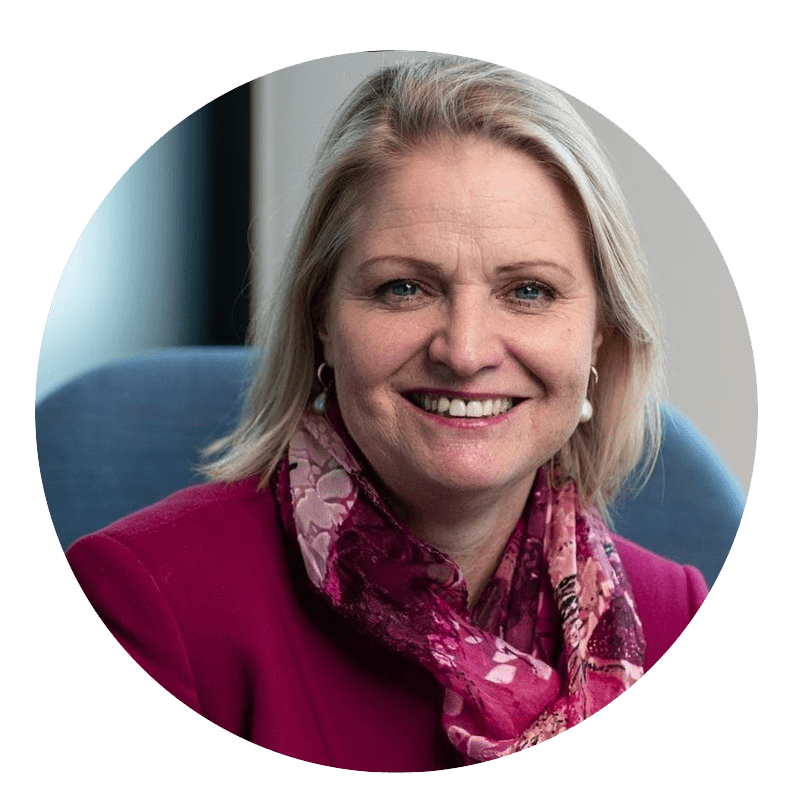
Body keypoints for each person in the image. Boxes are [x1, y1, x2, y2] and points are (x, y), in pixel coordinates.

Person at [66, 55, 708, 771]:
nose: (465, 352)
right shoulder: (152, 602)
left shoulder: (676, 618)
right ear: (321, 320)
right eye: (405, 288)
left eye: (528, 291)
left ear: (599, 336)